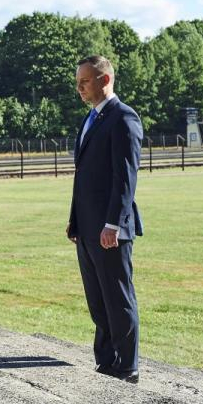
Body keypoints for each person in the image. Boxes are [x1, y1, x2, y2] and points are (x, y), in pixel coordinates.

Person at [67, 55, 143, 384]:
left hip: (110, 228)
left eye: (85, 81)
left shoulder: (124, 118)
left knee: (117, 298)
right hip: (87, 227)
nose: (79, 87)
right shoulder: (90, 119)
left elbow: (125, 178)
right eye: (78, 81)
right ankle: (106, 362)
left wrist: (113, 223)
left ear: (104, 81)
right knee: (97, 300)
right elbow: (82, 176)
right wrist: (75, 221)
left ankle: (127, 367)